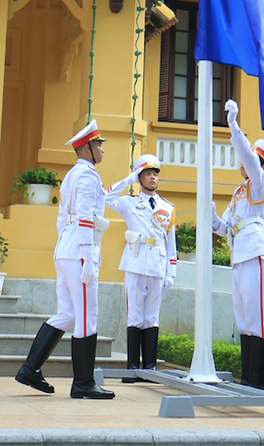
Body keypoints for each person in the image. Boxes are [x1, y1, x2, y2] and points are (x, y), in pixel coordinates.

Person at [15, 119, 114, 400]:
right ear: (87, 148)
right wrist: (88, 256)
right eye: (98, 145)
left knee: (67, 313)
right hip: (79, 251)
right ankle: (83, 382)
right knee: (86, 316)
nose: (102, 149)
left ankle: (30, 368)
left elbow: (63, 217)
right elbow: (85, 217)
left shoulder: (73, 174)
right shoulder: (88, 176)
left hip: (65, 249)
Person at [211, 99, 264, 390]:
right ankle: (247, 379)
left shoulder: (262, 182)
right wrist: (211, 215)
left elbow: (249, 158)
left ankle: (257, 382)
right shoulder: (239, 192)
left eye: (250, 159)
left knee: (256, 317)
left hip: (256, 253)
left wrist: (234, 126)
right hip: (239, 254)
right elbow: (224, 228)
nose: (243, 162)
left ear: (259, 164)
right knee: (243, 319)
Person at [105, 153, 177, 381]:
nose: (153, 177)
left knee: (152, 316)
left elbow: (171, 244)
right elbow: (106, 197)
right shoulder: (130, 202)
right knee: (135, 315)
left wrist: (171, 272)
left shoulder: (167, 207)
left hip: (157, 264)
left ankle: (150, 367)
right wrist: (128, 179)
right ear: (139, 177)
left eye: (155, 173)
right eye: (147, 174)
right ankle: (133, 367)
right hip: (136, 262)